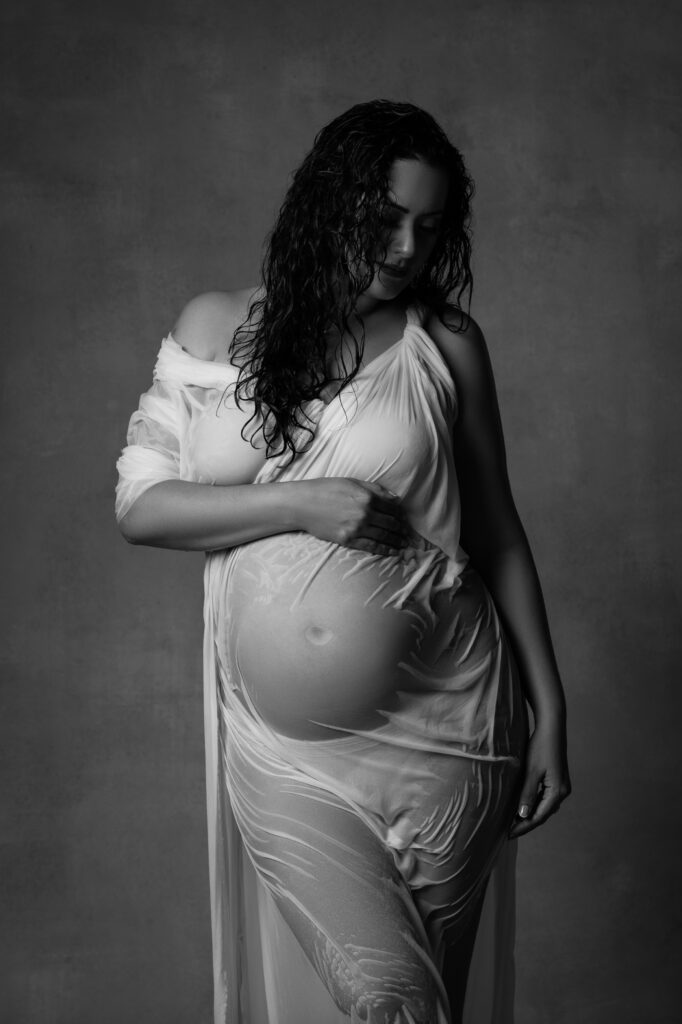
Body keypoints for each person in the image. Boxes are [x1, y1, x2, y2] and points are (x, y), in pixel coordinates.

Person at [115, 99, 571, 1024]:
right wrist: (296, 503)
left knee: (414, 1008)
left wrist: (552, 711)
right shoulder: (215, 324)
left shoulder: (443, 345)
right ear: (332, 206)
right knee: (390, 1000)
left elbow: (499, 533)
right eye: (386, 219)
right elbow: (141, 508)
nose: (406, 248)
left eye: (429, 227)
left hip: (452, 730)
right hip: (287, 753)